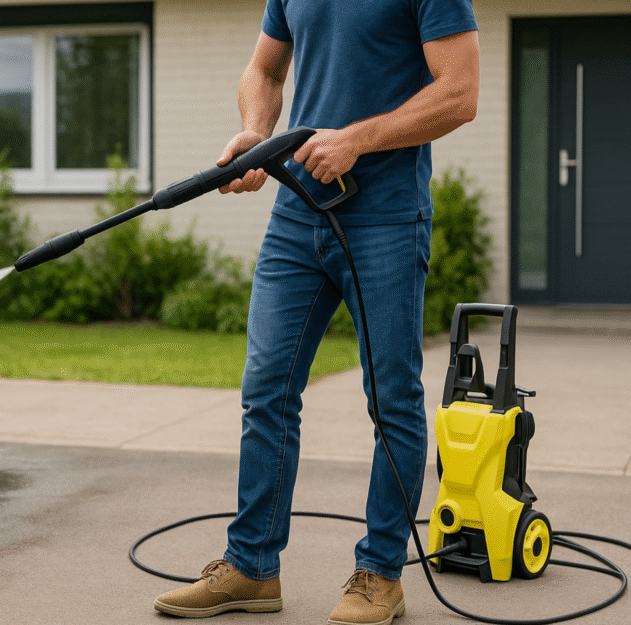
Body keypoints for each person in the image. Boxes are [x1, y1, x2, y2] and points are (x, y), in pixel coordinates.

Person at [153, 1, 479, 624]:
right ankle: (251, 567)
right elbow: (264, 72)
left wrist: (358, 138)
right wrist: (257, 134)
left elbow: (460, 93)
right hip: (297, 213)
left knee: (392, 400)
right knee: (266, 388)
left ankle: (380, 575)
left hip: (384, 217)